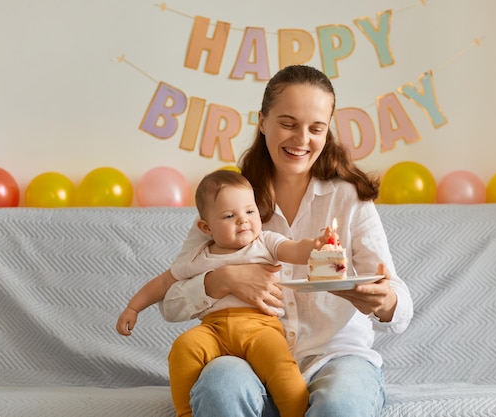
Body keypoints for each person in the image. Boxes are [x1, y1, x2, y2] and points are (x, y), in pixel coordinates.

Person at [157, 64, 414, 417]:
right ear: (262, 121)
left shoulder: (349, 199)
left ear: (327, 132)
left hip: (335, 356)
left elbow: (400, 305)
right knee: (220, 385)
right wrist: (221, 280)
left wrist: (384, 299)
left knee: (340, 405)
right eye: (288, 123)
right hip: (245, 357)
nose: (301, 139)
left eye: (316, 128)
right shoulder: (229, 201)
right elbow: (170, 304)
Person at [117, 169, 336, 417]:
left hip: (260, 328)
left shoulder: (266, 242)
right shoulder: (199, 256)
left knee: (282, 368)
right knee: (184, 346)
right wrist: (133, 308)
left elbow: (294, 250)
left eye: (250, 211)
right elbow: (163, 283)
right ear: (206, 227)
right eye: (230, 215)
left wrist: (316, 245)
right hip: (214, 330)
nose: (243, 220)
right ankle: (187, 412)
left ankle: (296, 413)